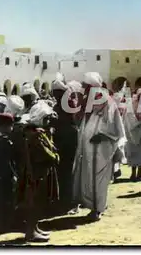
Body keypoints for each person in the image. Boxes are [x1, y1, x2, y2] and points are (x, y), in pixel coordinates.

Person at [72, 72, 126, 222]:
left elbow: (115, 126)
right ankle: (93, 205)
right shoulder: (87, 101)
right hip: (87, 147)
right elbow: (80, 119)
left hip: (101, 147)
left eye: (85, 86)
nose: (83, 88)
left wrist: (103, 135)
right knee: (88, 177)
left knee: (98, 179)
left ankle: (97, 210)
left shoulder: (107, 101)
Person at [19, 100, 60, 242]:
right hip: (36, 174)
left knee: (37, 203)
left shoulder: (34, 132)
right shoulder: (35, 136)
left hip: (37, 173)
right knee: (34, 203)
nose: (49, 121)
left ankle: (34, 228)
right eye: (46, 118)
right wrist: (55, 156)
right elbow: (47, 154)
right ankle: (31, 232)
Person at [52, 76, 81, 214]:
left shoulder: (69, 103)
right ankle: (64, 199)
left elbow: (74, 119)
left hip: (68, 137)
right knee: (62, 170)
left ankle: (70, 201)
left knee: (68, 170)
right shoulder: (59, 103)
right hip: (61, 137)